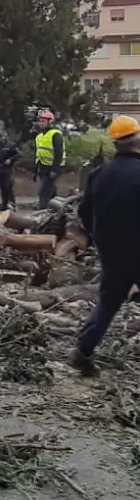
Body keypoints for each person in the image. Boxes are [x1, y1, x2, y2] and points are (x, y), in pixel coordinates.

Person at [70, 115, 140, 376]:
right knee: (109, 302)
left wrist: (94, 237)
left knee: (109, 302)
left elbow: (85, 211)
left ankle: (83, 351)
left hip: (111, 251)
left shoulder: (100, 173)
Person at [33, 111, 64, 209]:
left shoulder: (55, 134)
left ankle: (42, 209)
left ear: (50, 122)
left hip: (53, 166)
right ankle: (56, 209)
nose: (40, 123)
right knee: (51, 191)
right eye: (40, 121)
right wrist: (35, 170)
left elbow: (59, 153)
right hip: (43, 166)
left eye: (43, 121)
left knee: (44, 191)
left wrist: (55, 169)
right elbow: (38, 154)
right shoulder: (39, 136)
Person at [0, 133, 20, 211]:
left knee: (8, 186)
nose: (1, 138)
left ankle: (12, 204)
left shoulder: (11, 145)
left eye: (2, 137)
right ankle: (4, 204)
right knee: (1, 186)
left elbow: (17, 155)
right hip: (0, 168)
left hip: (8, 168)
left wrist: (10, 159)